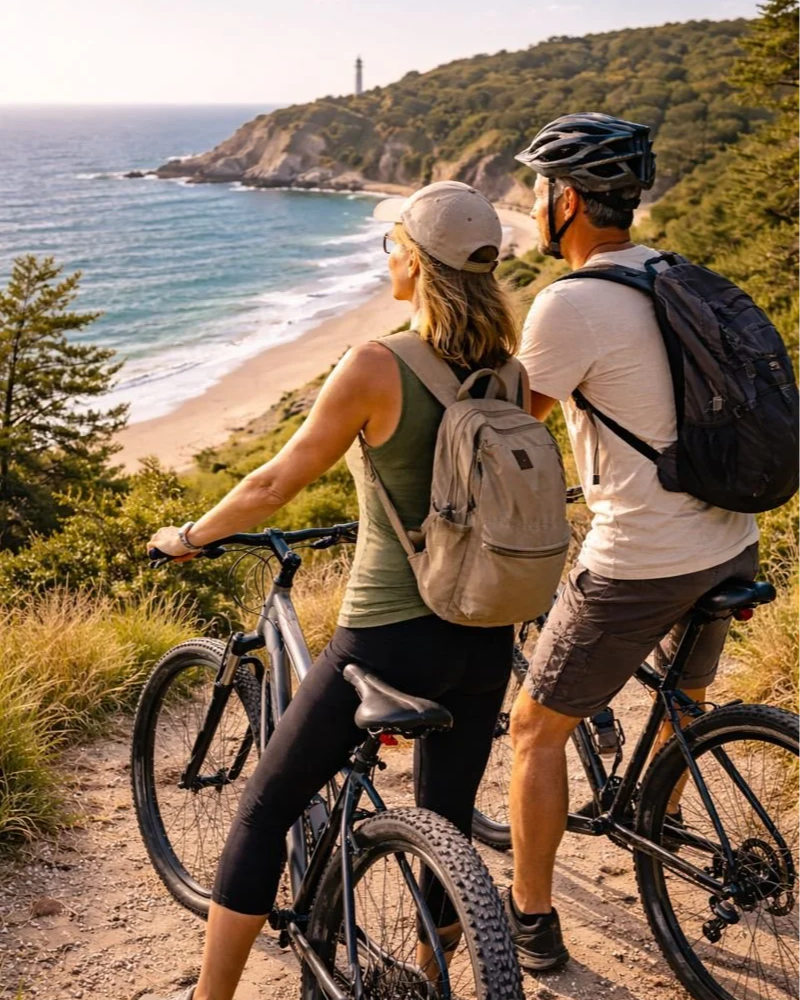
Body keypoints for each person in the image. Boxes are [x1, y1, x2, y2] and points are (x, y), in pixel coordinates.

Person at [142, 181, 521, 1000]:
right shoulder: (509, 370)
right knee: (446, 820)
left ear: (415, 264)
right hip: (488, 635)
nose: (385, 256)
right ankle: (436, 981)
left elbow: (275, 481)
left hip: (388, 635)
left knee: (264, 811)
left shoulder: (378, 362)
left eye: (392, 246)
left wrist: (191, 536)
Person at [505, 113, 759, 972]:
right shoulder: (681, 276)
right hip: (731, 538)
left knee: (535, 730)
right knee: (680, 701)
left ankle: (532, 921)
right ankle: (664, 810)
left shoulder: (567, 302)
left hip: (642, 557)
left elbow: (511, 426)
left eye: (538, 191)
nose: (534, 204)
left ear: (567, 201)